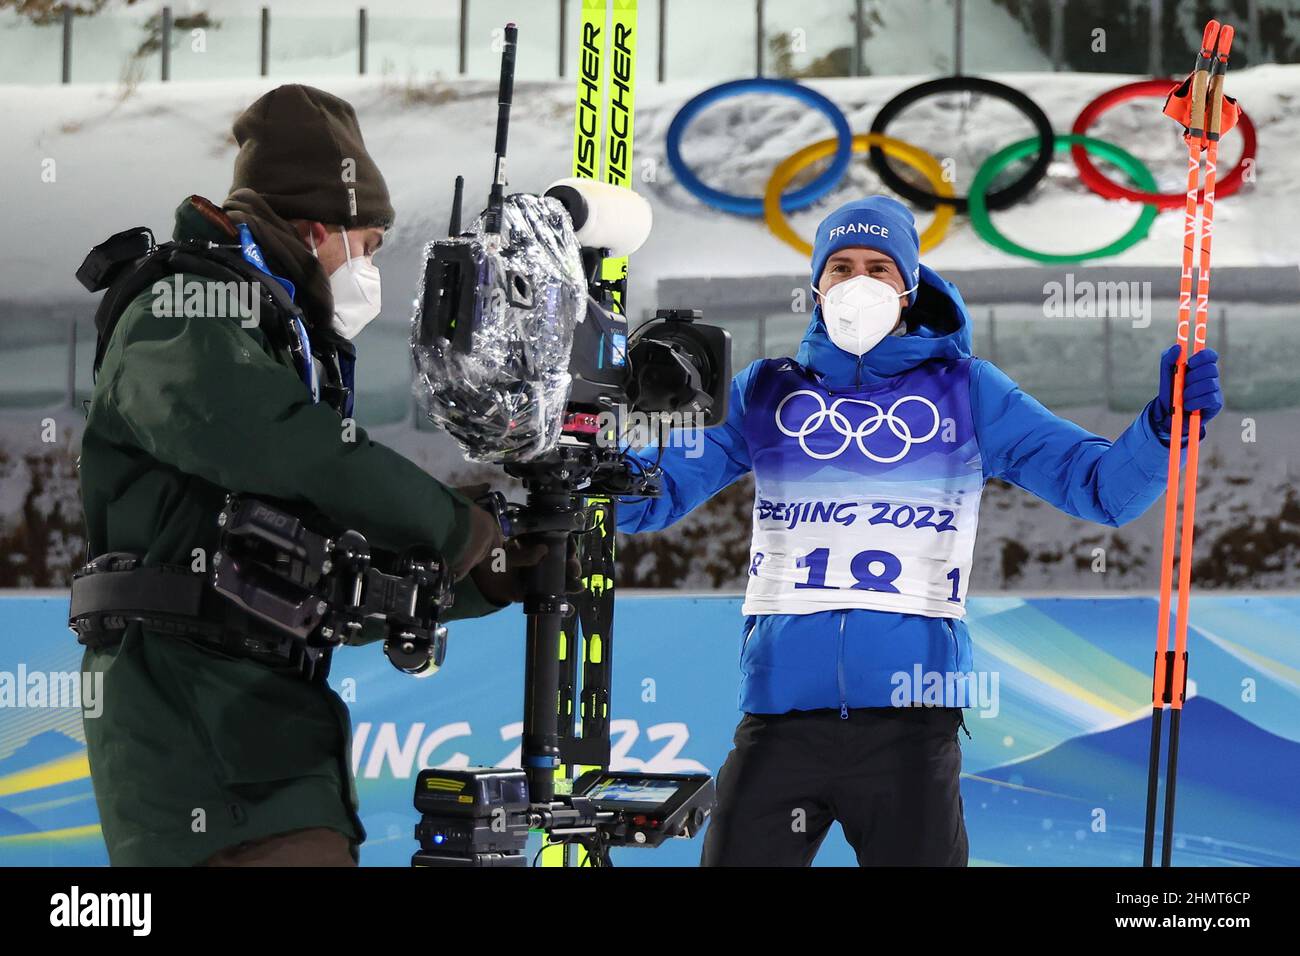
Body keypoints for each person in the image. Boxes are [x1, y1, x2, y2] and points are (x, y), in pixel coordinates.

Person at [615, 195, 1223, 866]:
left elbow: (1101, 488)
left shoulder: (968, 391)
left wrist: (1164, 427)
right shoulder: (766, 390)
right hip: (780, 720)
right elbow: (648, 496)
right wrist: (576, 447)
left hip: (909, 727)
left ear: (907, 288)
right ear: (816, 286)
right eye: (841, 267)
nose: (859, 282)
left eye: (879, 268)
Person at [76, 85, 539, 867]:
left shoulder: (273, 337)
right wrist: (453, 528)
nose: (369, 268)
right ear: (319, 229)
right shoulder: (183, 310)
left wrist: (483, 575)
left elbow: (313, 566)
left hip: (264, 736)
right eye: (369, 245)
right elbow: (285, 446)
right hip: (192, 735)